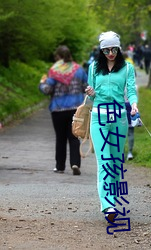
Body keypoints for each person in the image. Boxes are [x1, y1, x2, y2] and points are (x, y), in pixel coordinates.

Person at [85, 31, 138, 223]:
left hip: (120, 118)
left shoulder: (127, 68)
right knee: (105, 161)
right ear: (101, 50)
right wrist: (90, 92)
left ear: (119, 48)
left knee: (116, 163)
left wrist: (133, 104)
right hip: (99, 117)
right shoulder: (93, 68)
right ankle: (107, 205)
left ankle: (113, 200)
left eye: (114, 49)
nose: (110, 53)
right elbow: (91, 97)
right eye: (106, 50)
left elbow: (131, 90)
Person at [39, 45, 88, 175]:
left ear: (58, 57)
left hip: (58, 109)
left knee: (60, 138)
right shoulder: (79, 70)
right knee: (74, 137)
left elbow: (47, 90)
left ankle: (60, 166)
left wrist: (42, 83)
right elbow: (86, 87)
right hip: (75, 109)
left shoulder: (54, 71)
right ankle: (75, 163)